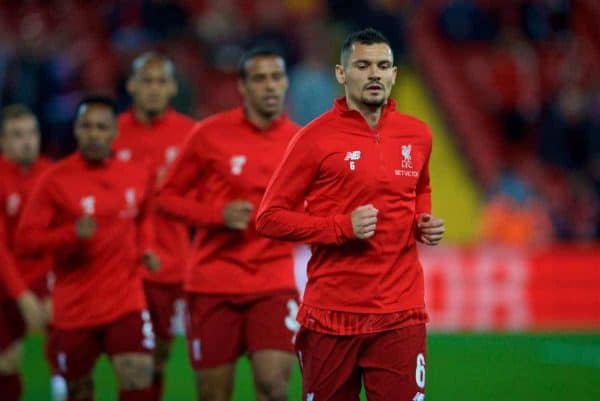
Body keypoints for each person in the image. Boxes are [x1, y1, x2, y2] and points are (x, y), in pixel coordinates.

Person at [255, 28, 446, 401]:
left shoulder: (418, 135)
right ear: (342, 74)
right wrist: (340, 227)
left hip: (400, 311)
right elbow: (269, 217)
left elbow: (421, 186)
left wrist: (422, 219)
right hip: (332, 313)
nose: (374, 74)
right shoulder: (314, 139)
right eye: (362, 65)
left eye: (382, 66)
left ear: (394, 75)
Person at [155, 47, 300, 401]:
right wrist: (216, 216)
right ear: (242, 86)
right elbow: (166, 197)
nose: (270, 86)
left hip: (272, 282)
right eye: (260, 78)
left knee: (274, 387)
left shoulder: (301, 140)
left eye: (276, 77)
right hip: (213, 283)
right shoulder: (210, 135)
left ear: (285, 83)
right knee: (214, 395)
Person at [15, 96, 160, 401]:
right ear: (76, 130)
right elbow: (26, 240)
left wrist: (145, 247)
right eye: (86, 126)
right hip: (76, 307)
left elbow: (144, 213)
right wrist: (70, 234)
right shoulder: (55, 180)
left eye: (101, 127)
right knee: (79, 390)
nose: (94, 134)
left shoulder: (136, 174)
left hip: (125, 301)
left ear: (114, 133)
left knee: (139, 375)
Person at [113, 52, 195, 401]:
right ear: (131, 85)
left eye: (161, 81)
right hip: (119, 267)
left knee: (159, 356)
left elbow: (205, 199)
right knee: (132, 361)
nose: (153, 89)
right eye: (146, 80)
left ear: (173, 87)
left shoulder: (191, 135)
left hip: (171, 264)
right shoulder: (109, 132)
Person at [0, 104, 49, 401]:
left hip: (47, 281)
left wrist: (55, 290)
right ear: (3, 142)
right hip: (7, 285)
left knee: (71, 359)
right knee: (7, 362)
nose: (27, 141)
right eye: (17, 135)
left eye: (32, 133)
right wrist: (21, 295)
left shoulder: (53, 175)